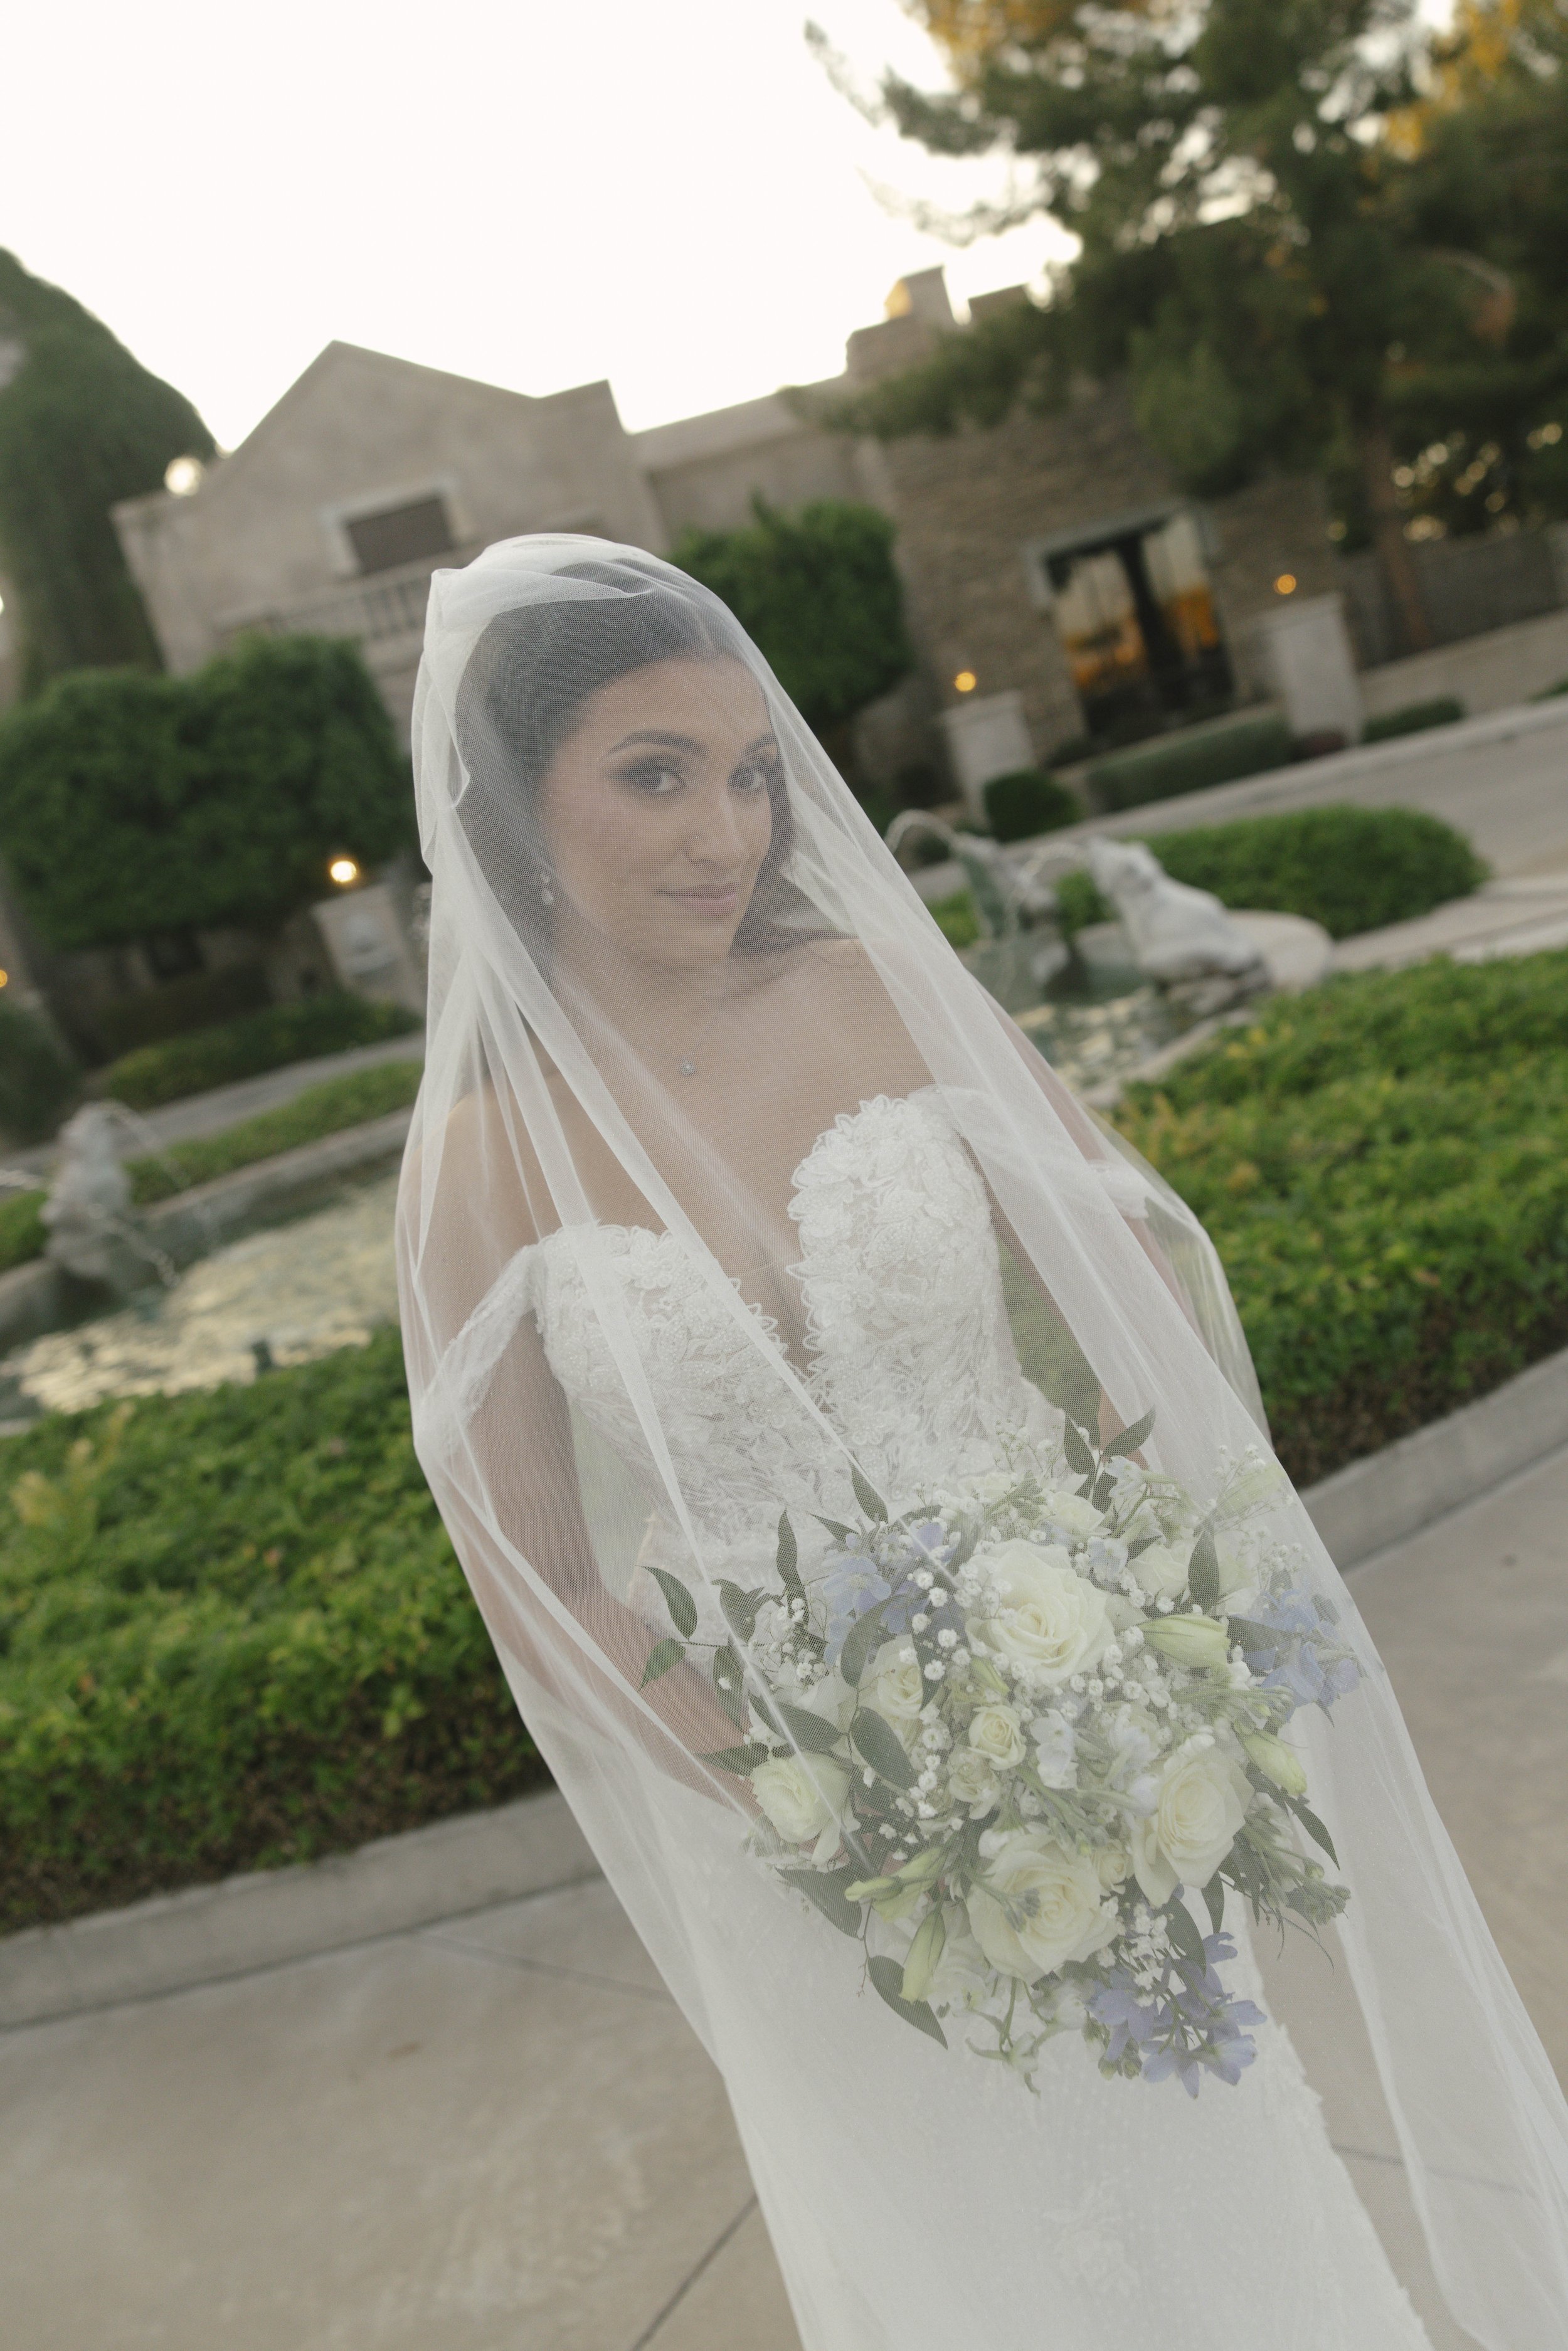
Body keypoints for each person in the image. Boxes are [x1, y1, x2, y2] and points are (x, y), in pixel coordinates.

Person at [397, 536, 1568, 2351]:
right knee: (979, 2263)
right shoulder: (481, 1164)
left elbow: (1140, 1296)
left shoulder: (870, 991)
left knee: (1211, 2187)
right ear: (512, 802)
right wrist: (832, 1793)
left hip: (1084, 1717)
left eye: (750, 772)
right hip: (789, 1825)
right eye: (655, 775)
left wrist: (1122, 1604)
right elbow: (539, 1573)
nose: (726, 830)